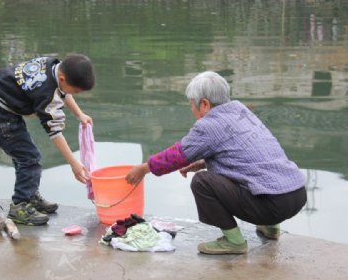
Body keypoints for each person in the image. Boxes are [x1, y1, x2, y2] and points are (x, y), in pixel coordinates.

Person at [126, 71, 307, 255]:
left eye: (192, 106)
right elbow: (247, 155)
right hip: (297, 195)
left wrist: (143, 168)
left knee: (202, 182)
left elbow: (176, 155)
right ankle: (271, 228)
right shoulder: (242, 112)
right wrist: (203, 162)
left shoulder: (209, 124)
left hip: (271, 205)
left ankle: (234, 241)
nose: (193, 111)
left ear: (204, 104)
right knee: (257, 175)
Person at [0, 54, 95, 225]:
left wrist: (79, 114)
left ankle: (30, 195)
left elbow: (62, 91)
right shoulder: (47, 93)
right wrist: (74, 163)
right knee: (29, 157)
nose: (76, 94)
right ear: (62, 78)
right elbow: (54, 132)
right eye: (76, 91)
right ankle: (20, 205)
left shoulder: (53, 64)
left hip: (1, 101)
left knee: (25, 155)